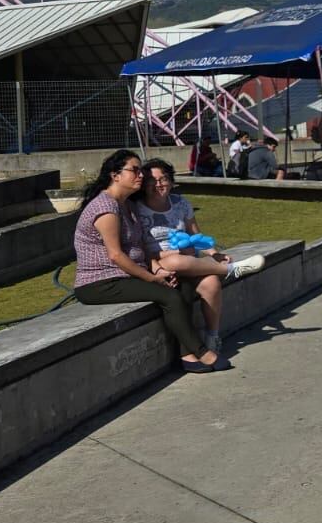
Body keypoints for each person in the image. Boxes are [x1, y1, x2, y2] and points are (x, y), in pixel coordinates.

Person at [72, 151, 231, 374]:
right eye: (135, 170)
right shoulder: (105, 208)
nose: (140, 175)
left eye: (141, 171)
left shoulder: (127, 205)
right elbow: (116, 256)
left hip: (125, 276)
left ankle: (187, 356)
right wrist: (152, 278)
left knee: (184, 287)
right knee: (169, 295)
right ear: (115, 175)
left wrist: (156, 269)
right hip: (100, 282)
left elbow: (140, 246)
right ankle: (203, 352)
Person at [133, 159, 265, 351]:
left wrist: (215, 254)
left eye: (163, 179)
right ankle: (231, 270)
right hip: (157, 262)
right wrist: (175, 252)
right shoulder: (136, 209)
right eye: (151, 181)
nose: (158, 184)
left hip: (188, 260)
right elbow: (139, 249)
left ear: (171, 181)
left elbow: (196, 235)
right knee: (177, 260)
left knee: (211, 283)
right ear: (143, 184)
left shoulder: (181, 203)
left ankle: (212, 337)